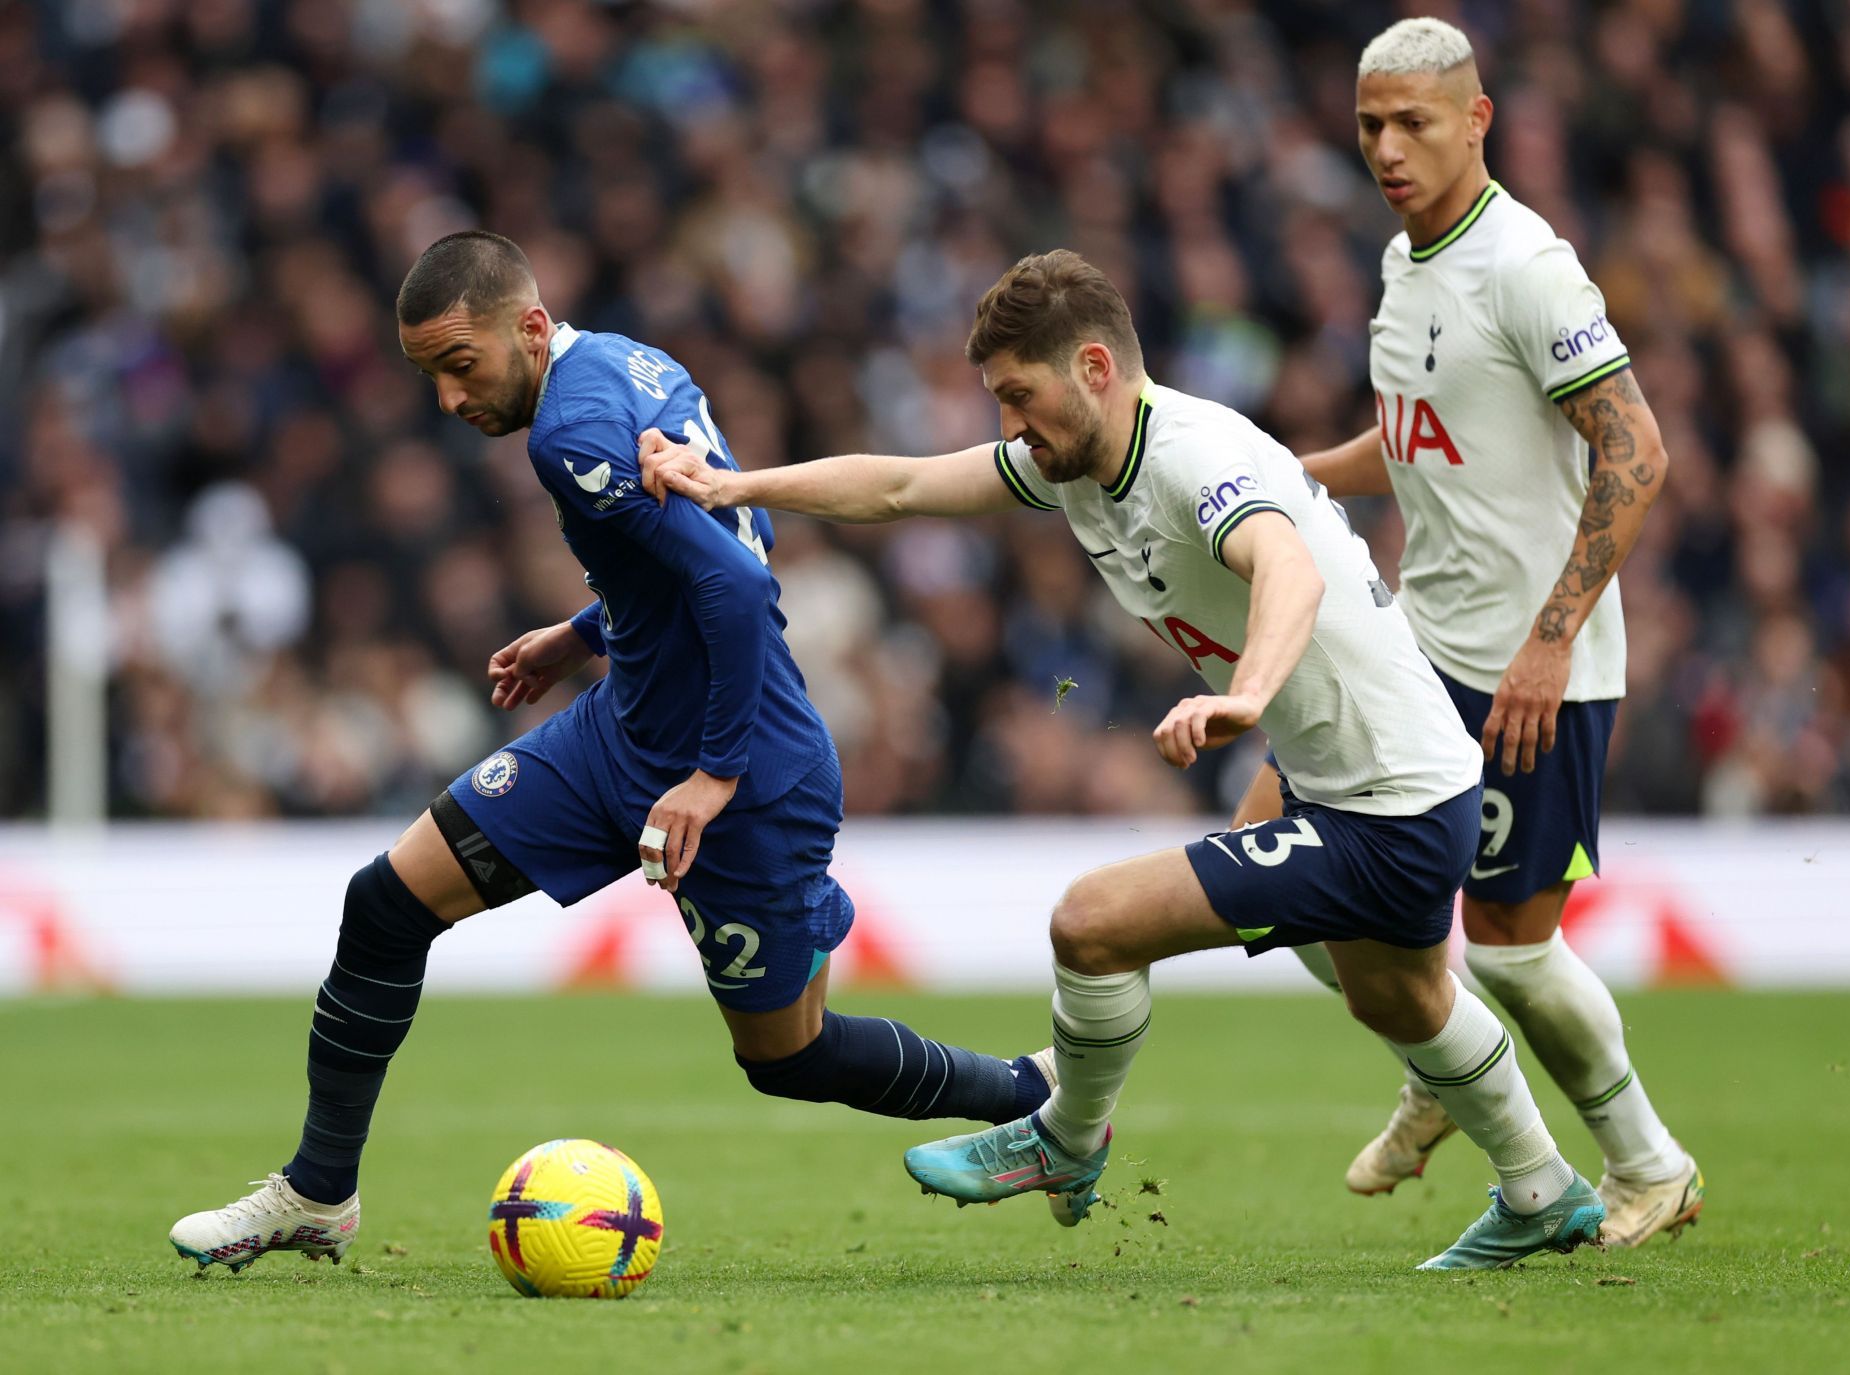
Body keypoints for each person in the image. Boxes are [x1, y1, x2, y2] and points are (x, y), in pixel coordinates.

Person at [640, 248, 1604, 1270]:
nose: (1010, 424)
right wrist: (735, 484)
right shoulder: (1082, 464)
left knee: (1093, 924)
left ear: (1094, 366)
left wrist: (1247, 695)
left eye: (1020, 395)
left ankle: (1064, 1137)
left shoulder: (1191, 452)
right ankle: (1543, 1188)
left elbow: (1285, 566)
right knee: (1398, 998)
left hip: (1392, 806)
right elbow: (903, 486)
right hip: (1386, 785)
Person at [168, 231, 1053, 1274]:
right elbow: (703, 545)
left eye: (462, 365)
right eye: (428, 376)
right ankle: (318, 1192)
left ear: (531, 329)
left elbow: (738, 585)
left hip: (746, 769)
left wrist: (713, 774)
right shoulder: (632, 364)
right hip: (621, 730)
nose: (450, 400)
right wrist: (584, 632)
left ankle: (1036, 1096)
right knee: (387, 903)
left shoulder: (569, 430)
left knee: (789, 1057)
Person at [1251, 17, 1699, 1250]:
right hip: (1418, 647)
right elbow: (1410, 447)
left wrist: (1553, 639)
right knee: (1270, 871)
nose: (1388, 149)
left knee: (1506, 949)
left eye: (1414, 124)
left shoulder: (1527, 267)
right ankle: (1446, 1060)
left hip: (1527, 670)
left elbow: (1638, 452)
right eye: (1369, 127)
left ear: (1478, 118)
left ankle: (1649, 1164)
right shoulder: (1407, 267)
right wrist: (1280, 476)